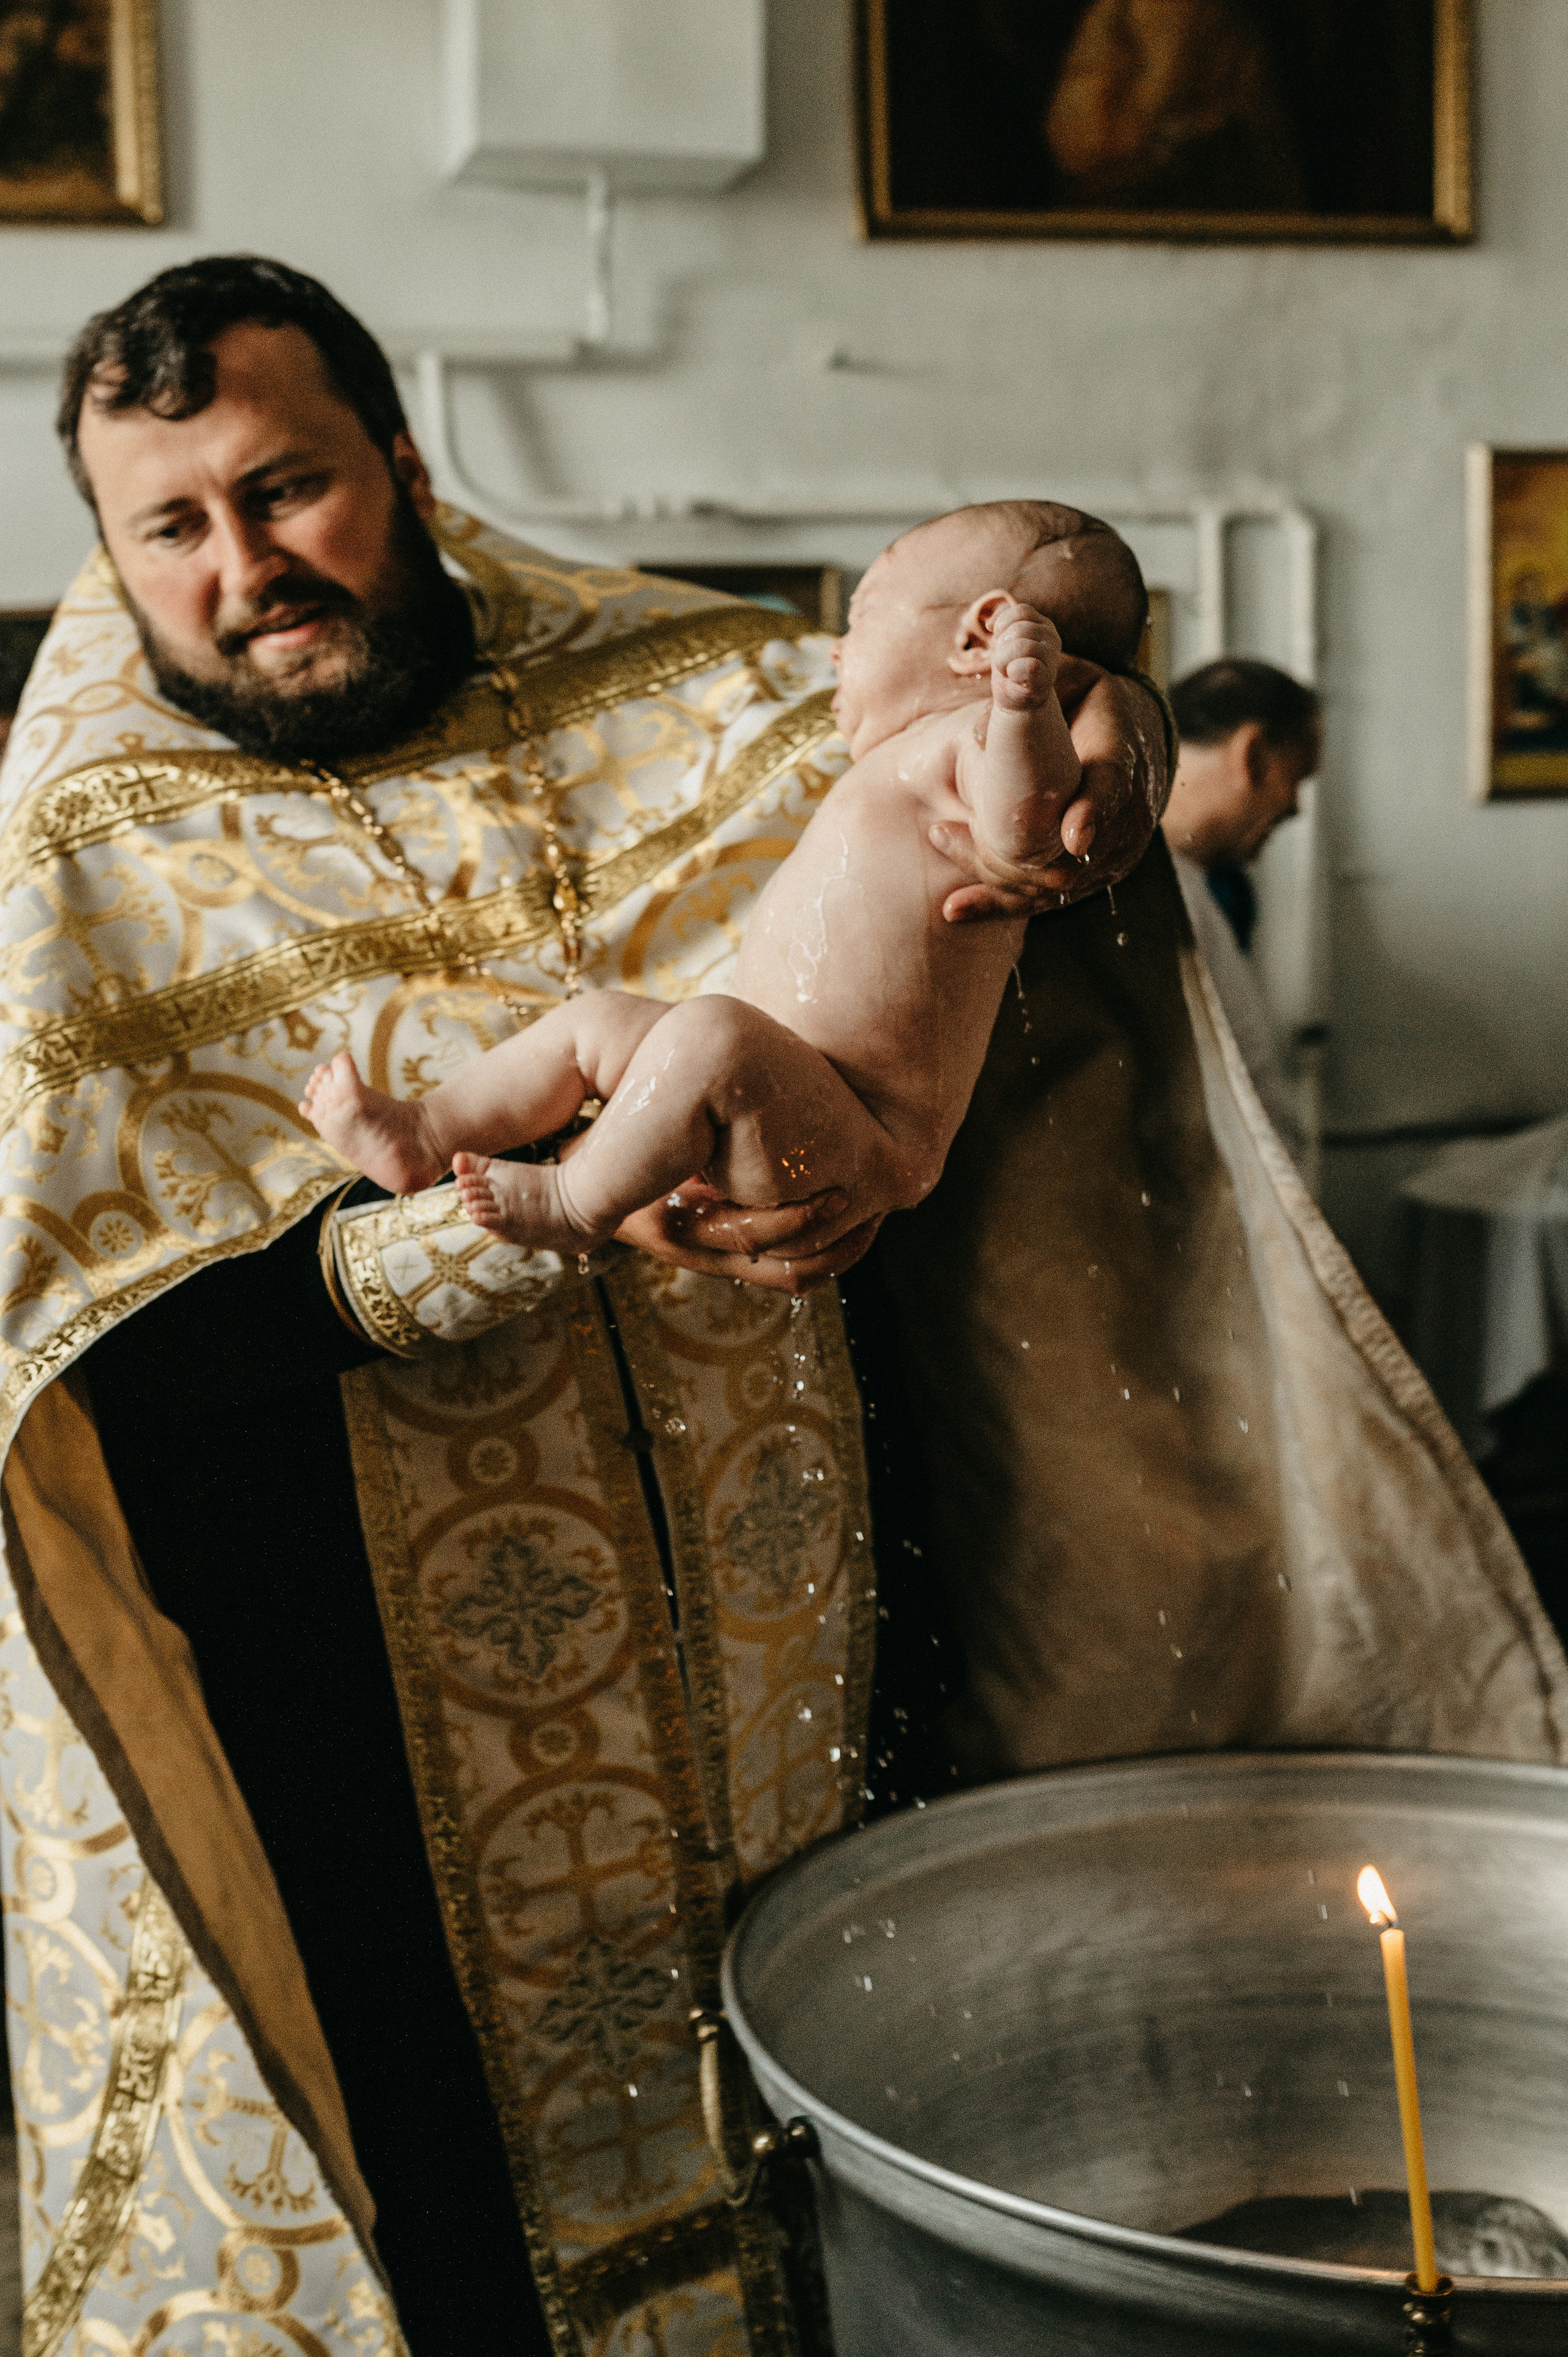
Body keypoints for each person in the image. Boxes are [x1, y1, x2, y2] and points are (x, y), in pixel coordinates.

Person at [6, 255, 1564, 2357]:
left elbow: (988, 835)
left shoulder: (698, 674)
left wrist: (1087, 755)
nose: (245, 566)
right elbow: (68, 1324)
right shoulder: (70, 852)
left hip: (800, 1664)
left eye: (287, 489)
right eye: (171, 528)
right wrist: (465, 1235)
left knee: (848, 2202)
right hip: (366, 1736)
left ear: (406, 459)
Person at [301, 508, 1146, 1247]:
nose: (836, 653)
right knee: (598, 1022)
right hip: (782, 1079)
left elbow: (1025, 829)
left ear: (980, 631)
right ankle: (424, 1128)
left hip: (863, 1130)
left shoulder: (977, 737)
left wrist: (1024, 704)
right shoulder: (913, 752)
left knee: (707, 1035)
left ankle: (571, 1199)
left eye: (860, 620)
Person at [1161, 656, 1321, 1162]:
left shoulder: (1202, 884)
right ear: (1251, 754)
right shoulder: (1156, 893)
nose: (1296, 806)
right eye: (1299, 775)